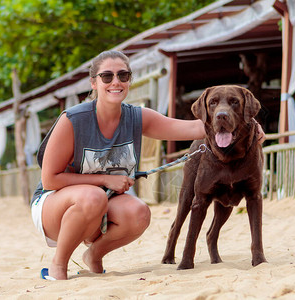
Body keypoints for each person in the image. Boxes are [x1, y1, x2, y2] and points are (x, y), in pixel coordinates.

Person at [30, 50, 265, 280]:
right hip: (56, 207)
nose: (116, 82)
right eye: (107, 76)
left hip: (102, 204)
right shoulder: (73, 119)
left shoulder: (137, 117)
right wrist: (104, 180)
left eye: (123, 75)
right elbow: (51, 179)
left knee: (139, 213)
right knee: (93, 197)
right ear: (93, 82)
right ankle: (58, 266)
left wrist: (251, 126)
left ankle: (94, 254)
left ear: (129, 80)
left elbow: (197, 127)